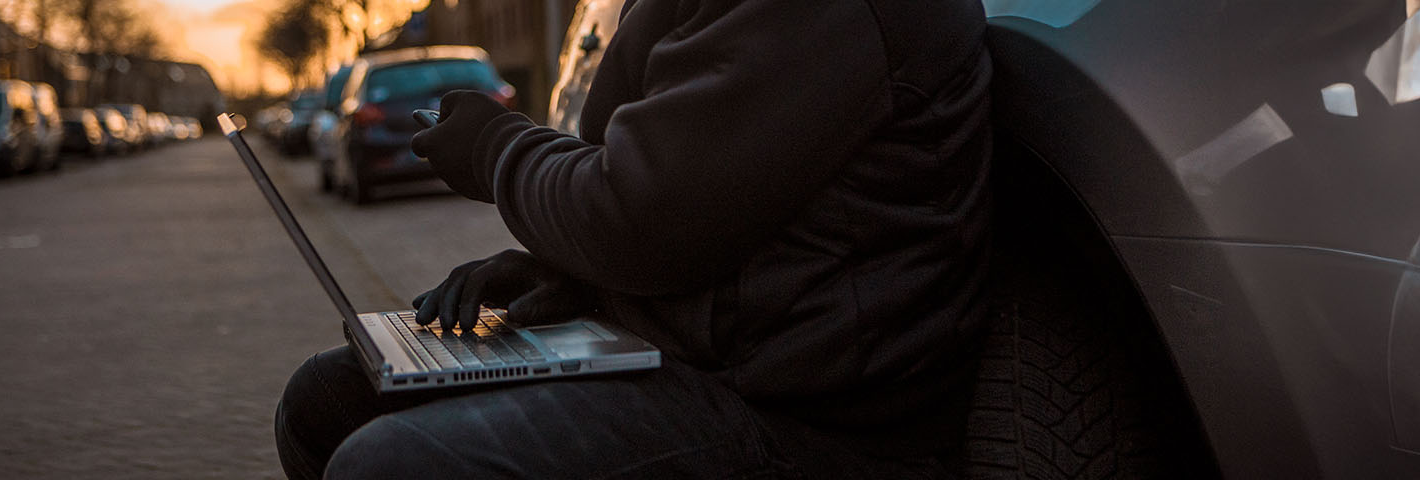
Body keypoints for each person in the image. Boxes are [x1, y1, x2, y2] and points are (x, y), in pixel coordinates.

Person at [276, 0, 994, 477]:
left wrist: (498, 151)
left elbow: (641, 215)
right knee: (323, 401)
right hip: (700, 349)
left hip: (814, 419)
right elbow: (706, 201)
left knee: (392, 467)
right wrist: (567, 278)